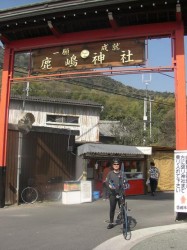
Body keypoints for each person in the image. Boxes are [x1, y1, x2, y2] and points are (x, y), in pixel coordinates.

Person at [105, 158, 128, 229]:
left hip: (121, 194)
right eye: (114, 164)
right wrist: (109, 185)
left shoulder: (122, 173)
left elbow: (126, 182)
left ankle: (125, 223)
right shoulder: (110, 174)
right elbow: (107, 182)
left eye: (117, 164)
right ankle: (111, 223)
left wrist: (126, 185)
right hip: (112, 194)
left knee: (122, 208)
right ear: (112, 165)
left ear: (119, 165)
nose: (116, 165)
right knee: (112, 208)